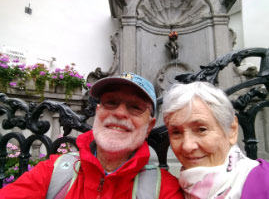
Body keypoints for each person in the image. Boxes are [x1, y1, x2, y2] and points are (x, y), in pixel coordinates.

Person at [0, 72, 183, 199]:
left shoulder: (165, 190)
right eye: (110, 103)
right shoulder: (53, 172)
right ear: (97, 112)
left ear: (149, 126)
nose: (119, 113)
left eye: (135, 107)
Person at [162, 81, 269, 199]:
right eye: (176, 132)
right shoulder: (168, 191)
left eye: (201, 129)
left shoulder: (265, 182)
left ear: (232, 130)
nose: (187, 146)